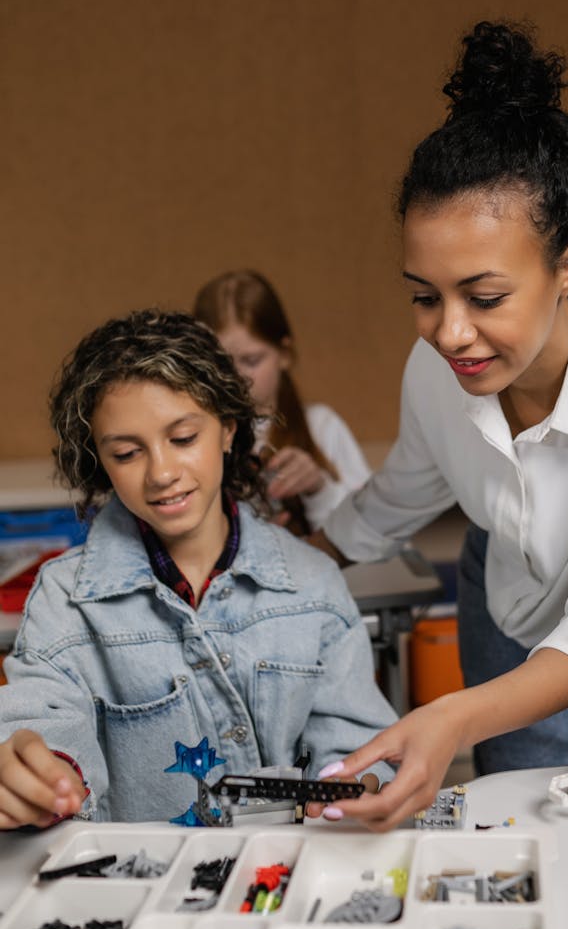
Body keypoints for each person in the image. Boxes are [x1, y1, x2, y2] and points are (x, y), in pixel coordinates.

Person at [310, 20, 568, 827]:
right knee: (518, 839)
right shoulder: (435, 369)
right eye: (424, 296)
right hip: (505, 613)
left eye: (484, 297)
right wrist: (286, 558)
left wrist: (453, 715)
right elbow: (401, 494)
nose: (449, 331)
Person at [0, 309, 395, 827]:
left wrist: (359, 783)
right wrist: (38, 771)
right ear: (99, 459)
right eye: (126, 452)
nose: (162, 474)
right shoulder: (63, 599)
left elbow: (359, 749)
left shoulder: (313, 582)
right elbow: (41, 721)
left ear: (228, 429)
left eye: (183, 439)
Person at [194, 270, 371, 535]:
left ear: (284, 354)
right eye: (220, 364)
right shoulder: (190, 438)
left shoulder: (321, 426)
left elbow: (373, 531)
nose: (234, 377)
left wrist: (319, 489)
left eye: (251, 361)